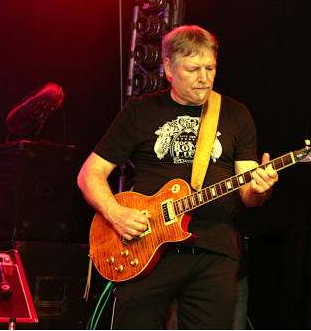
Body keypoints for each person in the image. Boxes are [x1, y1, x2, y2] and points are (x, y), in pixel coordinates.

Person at [77, 25, 278, 329]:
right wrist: (115, 213)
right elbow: (90, 173)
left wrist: (260, 190)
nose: (204, 78)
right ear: (169, 68)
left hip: (214, 251)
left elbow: (248, 194)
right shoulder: (141, 111)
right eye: (193, 69)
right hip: (144, 247)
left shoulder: (236, 114)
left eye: (210, 68)